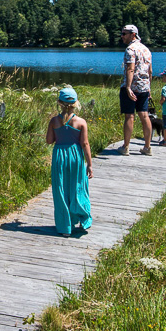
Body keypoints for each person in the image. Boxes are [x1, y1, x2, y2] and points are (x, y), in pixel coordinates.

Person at [45, 86, 94, 237]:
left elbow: (49, 140)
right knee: (78, 186)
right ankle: (81, 219)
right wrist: (90, 164)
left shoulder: (54, 121)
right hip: (76, 157)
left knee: (61, 189)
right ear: (75, 103)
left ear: (59, 102)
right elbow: (85, 144)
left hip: (60, 156)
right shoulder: (81, 122)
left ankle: (65, 227)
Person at [118, 24, 154, 155]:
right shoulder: (146, 50)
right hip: (144, 86)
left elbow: (130, 68)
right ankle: (147, 147)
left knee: (129, 116)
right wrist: (149, 87)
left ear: (133, 34)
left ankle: (126, 147)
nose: (122, 36)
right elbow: (150, 71)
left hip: (132, 87)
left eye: (124, 34)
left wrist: (127, 87)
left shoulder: (130, 49)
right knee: (144, 115)